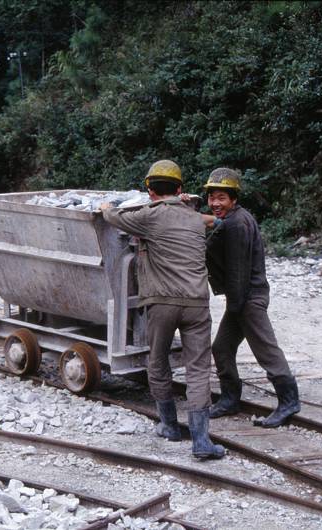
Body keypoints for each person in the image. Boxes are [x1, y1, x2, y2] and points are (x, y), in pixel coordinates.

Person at [100, 160, 224, 459]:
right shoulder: (195, 218)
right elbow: (214, 222)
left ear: (149, 190)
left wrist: (105, 206)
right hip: (197, 303)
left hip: (162, 303)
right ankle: (201, 441)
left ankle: (169, 425)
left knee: (158, 362)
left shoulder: (147, 216)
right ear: (180, 189)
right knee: (197, 369)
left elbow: (112, 217)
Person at [202, 167, 301, 428]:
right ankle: (229, 399)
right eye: (212, 198)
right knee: (222, 347)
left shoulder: (237, 224)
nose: (215, 203)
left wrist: (236, 308)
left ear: (233, 199)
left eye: (222, 198)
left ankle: (289, 401)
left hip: (248, 298)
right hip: (241, 298)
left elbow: (237, 271)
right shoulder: (234, 219)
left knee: (266, 350)